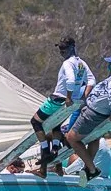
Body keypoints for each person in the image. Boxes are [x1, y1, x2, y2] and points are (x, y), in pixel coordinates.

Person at [31, 35, 96, 177]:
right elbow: (91, 80)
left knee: (35, 122)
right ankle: (54, 148)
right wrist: (83, 96)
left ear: (72, 48)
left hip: (58, 99)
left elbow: (71, 81)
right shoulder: (81, 63)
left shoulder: (68, 63)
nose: (61, 52)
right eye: (60, 49)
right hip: (69, 103)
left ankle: (46, 150)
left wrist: (68, 97)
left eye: (64, 49)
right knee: (56, 126)